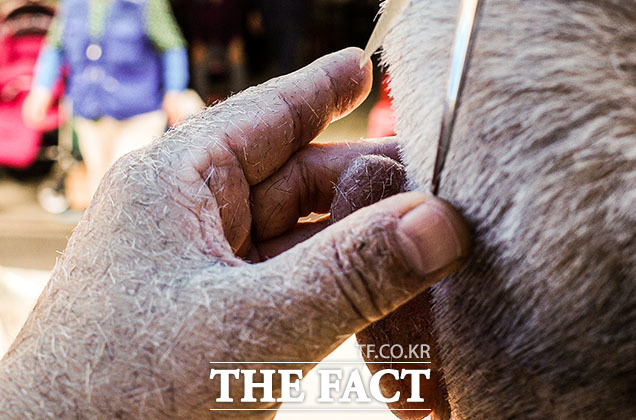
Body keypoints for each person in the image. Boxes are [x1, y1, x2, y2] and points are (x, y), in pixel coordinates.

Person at [0, 48, 471, 418]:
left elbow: (167, 47)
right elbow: (58, 46)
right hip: (94, 103)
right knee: (110, 180)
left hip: (134, 103)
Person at [22, 0, 197, 197]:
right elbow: (54, 46)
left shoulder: (147, 3)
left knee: (127, 184)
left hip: (139, 114)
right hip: (90, 111)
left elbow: (172, 46)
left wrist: (174, 91)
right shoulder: (71, 4)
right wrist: (41, 89)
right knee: (99, 189)